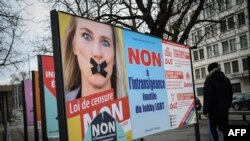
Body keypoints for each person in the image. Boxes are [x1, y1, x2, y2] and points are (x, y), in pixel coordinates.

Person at [61, 16, 127, 102]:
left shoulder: (130, 105)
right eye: (86, 37)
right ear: (74, 45)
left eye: (105, 43)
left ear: (114, 56)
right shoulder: (64, 105)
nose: (97, 53)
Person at [203, 62, 233, 141]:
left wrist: (206, 111)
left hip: (213, 112)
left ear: (210, 71)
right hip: (224, 111)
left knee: (213, 130)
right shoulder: (226, 80)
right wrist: (228, 106)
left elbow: (207, 97)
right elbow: (230, 94)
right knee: (223, 128)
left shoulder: (209, 81)